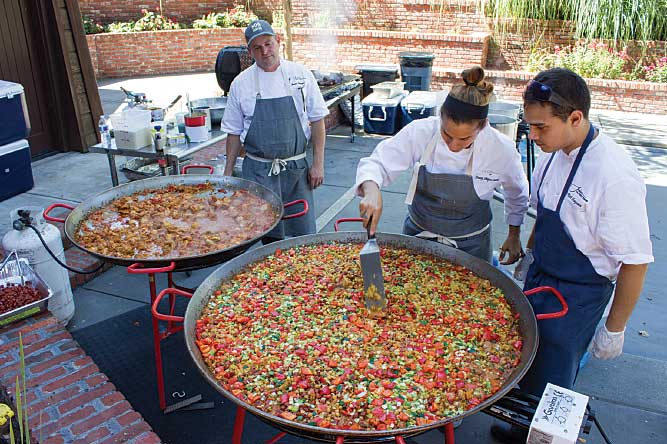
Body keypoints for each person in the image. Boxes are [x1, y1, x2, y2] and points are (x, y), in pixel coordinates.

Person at [491, 68, 654, 442]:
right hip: (540, 275)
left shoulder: (613, 175)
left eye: (541, 127)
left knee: (554, 375)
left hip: (577, 295)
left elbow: (635, 261)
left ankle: (543, 438)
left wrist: (615, 329)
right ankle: (520, 427)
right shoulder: (551, 151)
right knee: (524, 359)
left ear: (575, 117)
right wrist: (528, 255)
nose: (532, 136)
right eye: (528, 125)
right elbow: (545, 212)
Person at [356, 66, 529, 264]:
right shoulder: (421, 131)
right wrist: (371, 190)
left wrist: (514, 235)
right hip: (418, 235)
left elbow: (517, 193)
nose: (453, 145)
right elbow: (378, 162)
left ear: (482, 126)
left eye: (464, 139)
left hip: (471, 244)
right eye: (447, 134)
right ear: (440, 116)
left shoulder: (500, 148)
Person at [221, 19, 329, 242]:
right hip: (259, 172)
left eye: (268, 44)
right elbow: (233, 132)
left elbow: (318, 121)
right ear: (250, 52)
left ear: (278, 41)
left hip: (296, 170)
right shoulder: (241, 84)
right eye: (257, 48)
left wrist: (318, 164)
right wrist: (227, 172)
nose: (265, 52)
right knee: (267, 233)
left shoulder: (301, 75)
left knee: (302, 232)